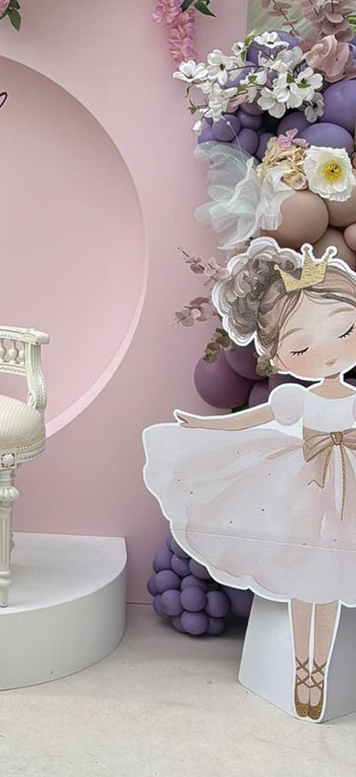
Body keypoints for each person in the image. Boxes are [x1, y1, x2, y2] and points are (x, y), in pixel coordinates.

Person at [145, 238, 356, 720]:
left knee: (332, 589)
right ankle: (303, 669)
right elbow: (254, 421)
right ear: (279, 360)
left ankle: (316, 667)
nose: (327, 353)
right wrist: (203, 425)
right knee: (308, 584)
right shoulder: (297, 401)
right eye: (302, 346)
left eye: (346, 331)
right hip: (309, 497)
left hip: (350, 499)